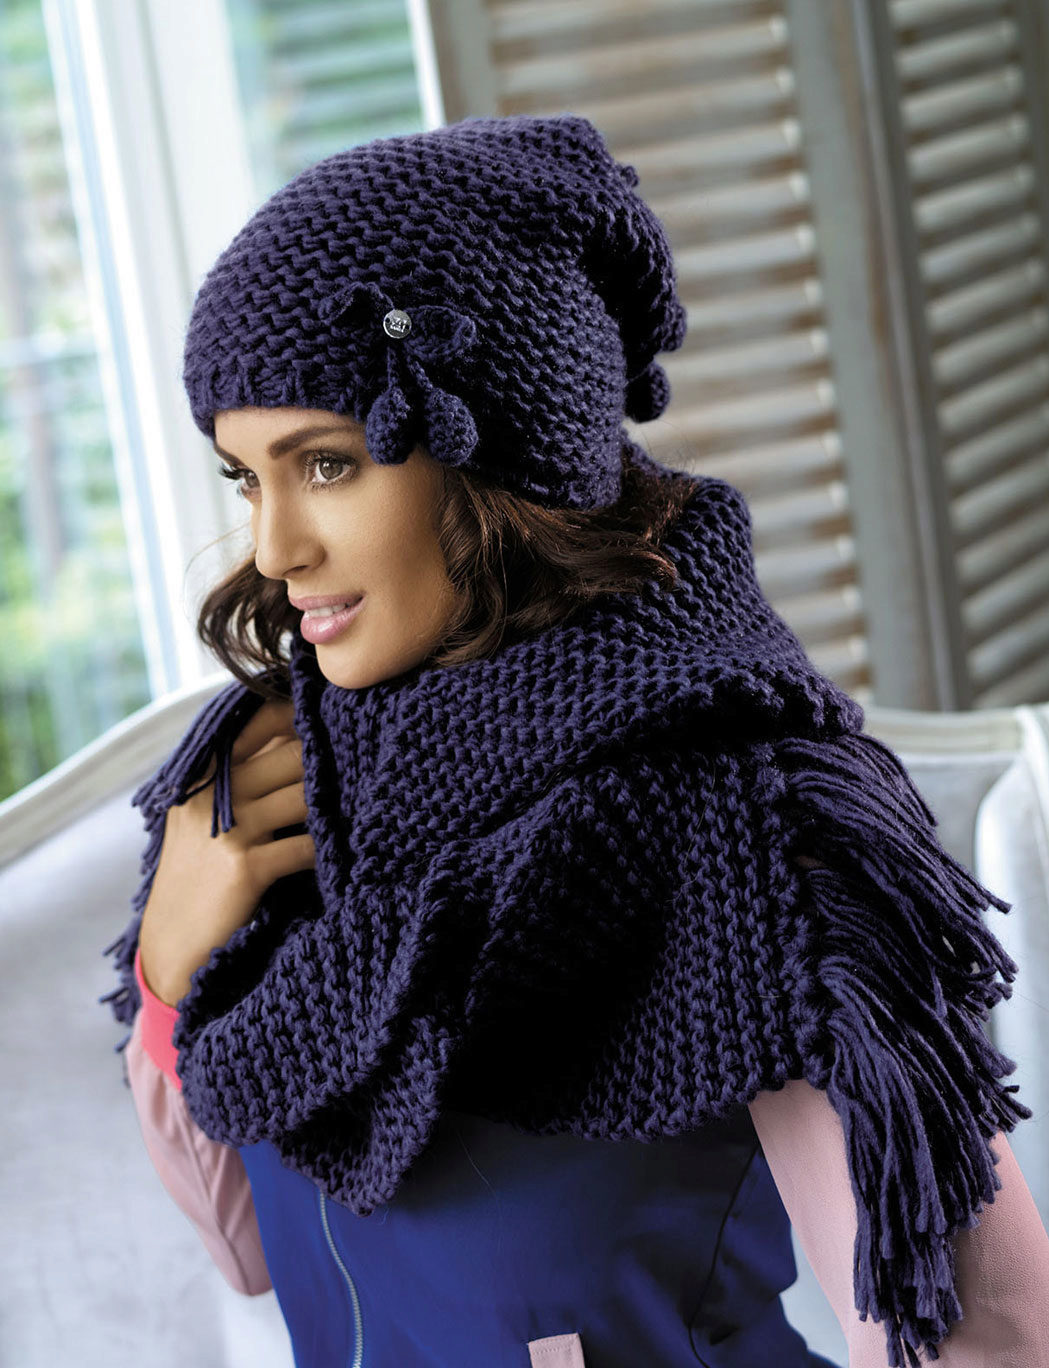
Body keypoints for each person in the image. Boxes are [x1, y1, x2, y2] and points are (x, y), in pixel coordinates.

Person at [101, 113, 1049, 1368]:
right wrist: (172, 972)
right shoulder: (283, 784)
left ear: (496, 454)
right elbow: (253, 1256)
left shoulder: (737, 820)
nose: (274, 550)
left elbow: (971, 1339)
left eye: (324, 465)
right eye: (244, 477)